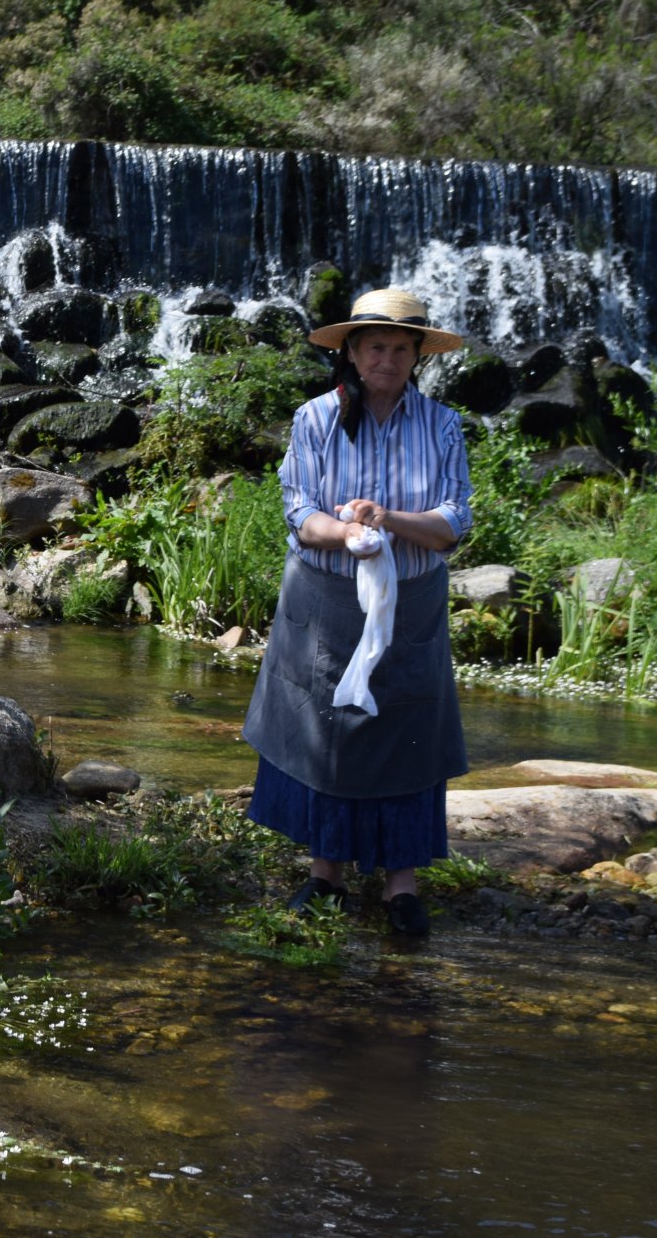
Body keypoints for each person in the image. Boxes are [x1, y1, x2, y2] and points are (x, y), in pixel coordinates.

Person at [241, 288, 472, 937]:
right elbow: (298, 513)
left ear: (417, 355)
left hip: (413, 607)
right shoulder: (314, 420)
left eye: (402, 348)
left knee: (407, 736)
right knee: (330, 730)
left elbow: (454, 521)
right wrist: (345, 534)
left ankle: (403, 886)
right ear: (350, 350)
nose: (388, 358)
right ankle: (326, 876)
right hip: (326, 602)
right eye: (376, 346)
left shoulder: (443, 425)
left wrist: (387, 519)